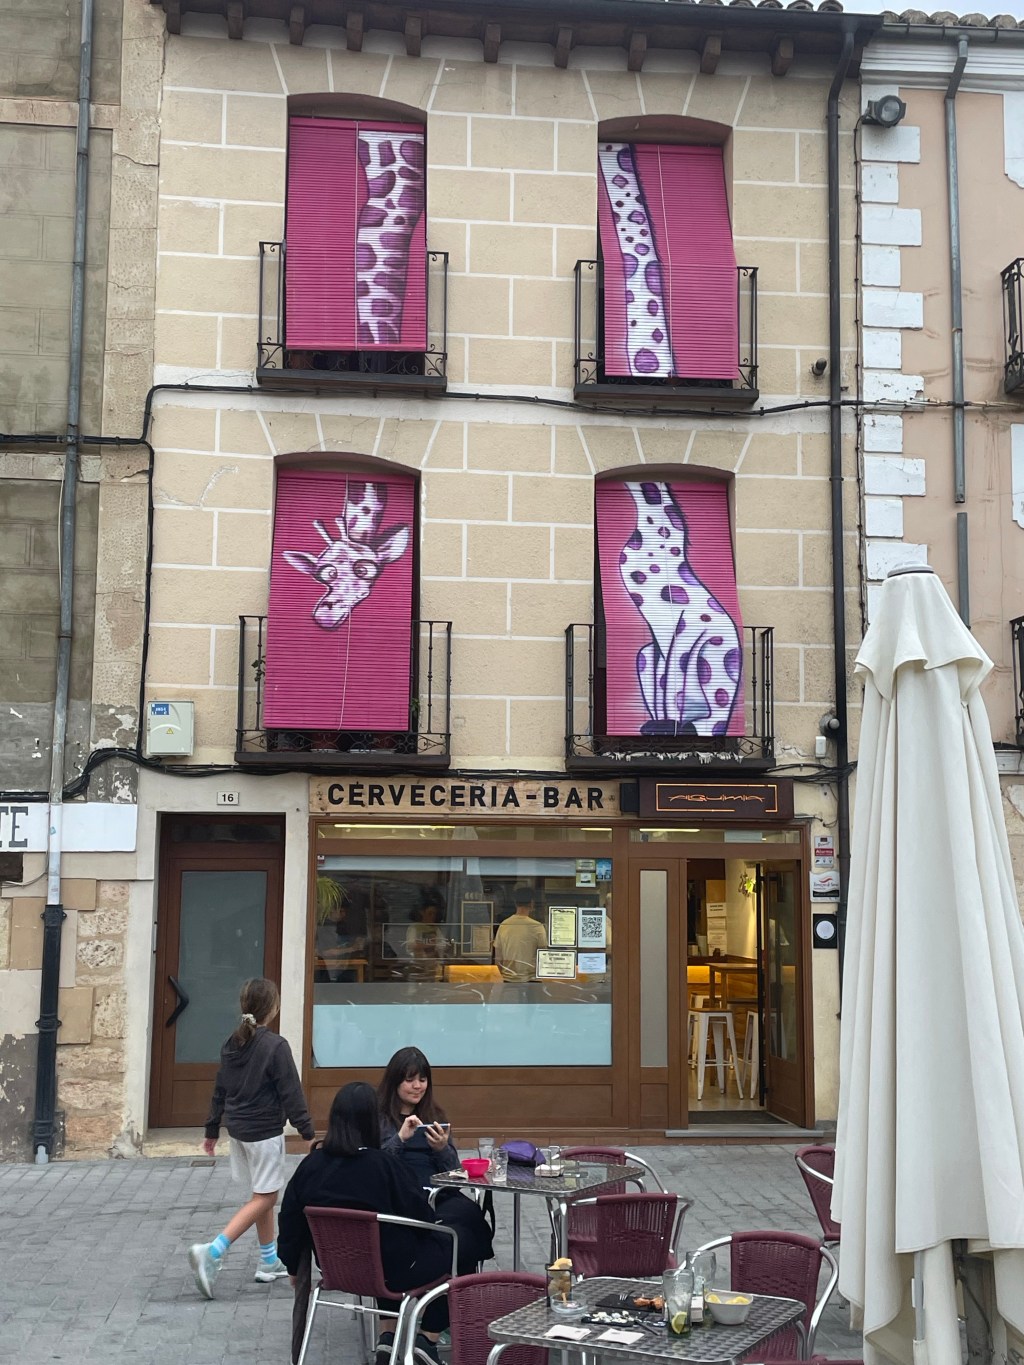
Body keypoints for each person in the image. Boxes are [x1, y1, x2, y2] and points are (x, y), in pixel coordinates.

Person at [278, 1082, 478, 1360]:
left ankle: (388, 1337)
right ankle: (428, 1338)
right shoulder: (385, 1165)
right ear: (372, 1121)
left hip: (336, 1269)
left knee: (386, 1246)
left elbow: (289, 1221)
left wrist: (292, 1267)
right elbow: (422, 1216)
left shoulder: (310, 1165)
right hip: (394, 1271)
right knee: (462, 1240)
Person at [188, 977, 316, 1299]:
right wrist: (307, 1131)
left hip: (239, 1132)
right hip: (264, 1133)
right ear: (273, 1008)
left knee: (262, 1192)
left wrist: (212, 1128)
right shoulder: (276, 1046)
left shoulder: (232, 1043)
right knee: (266, 1198)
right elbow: (291, 1092)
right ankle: (213, 1251)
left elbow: (220, 1089)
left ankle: (268, 1260)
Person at [378, 1046, 495, 1267]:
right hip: (402, 1195)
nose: (417, 1086)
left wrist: (441, 1148)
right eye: (410, 1080)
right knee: (452, 1227)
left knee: (469, 1215)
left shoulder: (434, 1115)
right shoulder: (381, 1119)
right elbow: (376, 1166)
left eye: (422, 1080)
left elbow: (454, 1172)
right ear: (395, 1082)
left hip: (438, 1192)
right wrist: (400, 1138)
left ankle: (460, 1280)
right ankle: (441, 1274)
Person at [493, 886, 547, 981]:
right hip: (531, 981)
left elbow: (498, 958)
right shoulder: (537, 927)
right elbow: (543, 956)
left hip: (508, 980)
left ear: (515, 903)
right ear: (532, 903)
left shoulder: (504, 925)